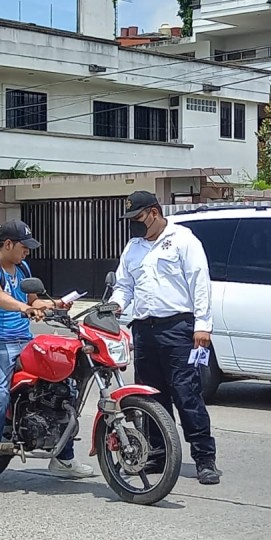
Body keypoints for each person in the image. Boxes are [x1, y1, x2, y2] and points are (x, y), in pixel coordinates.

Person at [0, 219, 94, 499]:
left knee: (62, 385)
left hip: (22, 340)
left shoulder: (23, 268)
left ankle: (63, 458)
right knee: (0, 395)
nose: (28, 252)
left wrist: (56, 304)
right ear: (8, 244)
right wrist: (24, 308)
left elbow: (34, 301)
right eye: (24, 247)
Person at [109, 191, 221, 485]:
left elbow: (200, 282)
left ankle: (204, 459)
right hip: (144, 329)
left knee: (187, 393)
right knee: (151, 396)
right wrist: (116, 306)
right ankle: (158, 454)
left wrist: (203, 325)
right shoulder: (132, 248)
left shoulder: (183, 239)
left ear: (154, 213)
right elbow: (124, 286)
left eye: (138, 217)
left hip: (178, 328)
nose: (133, 223)